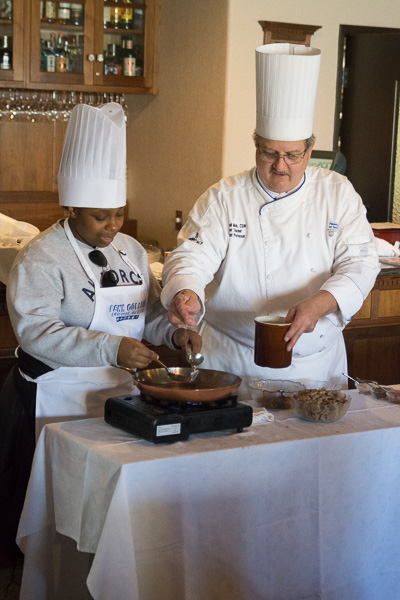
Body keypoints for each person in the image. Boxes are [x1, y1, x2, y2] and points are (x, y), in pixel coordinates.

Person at [0, 102, 200, 561]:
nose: (113, 227)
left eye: (118, 213)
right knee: (51, 509)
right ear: (71, 207)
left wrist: (173, 332)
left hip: (115, 392)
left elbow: (143, 312)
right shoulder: (42, 257)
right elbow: (37, 333)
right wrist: (113, 349)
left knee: (104, 500)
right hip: (53, 396)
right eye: (99, 217)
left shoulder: (129, 249)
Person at [160, 43, 380, 394]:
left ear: (310, 150)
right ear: (256, 145)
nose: (280, 165)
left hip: (318, 363)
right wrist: (186, 291)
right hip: (236, 362)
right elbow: (191, 257)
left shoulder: (337, 193)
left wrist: (318, 304)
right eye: (269, 153)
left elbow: (361, 264)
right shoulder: (224, 197)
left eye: (293, 155)